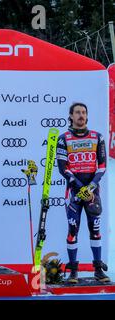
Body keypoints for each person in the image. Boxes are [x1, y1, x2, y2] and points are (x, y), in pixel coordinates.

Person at [56, 102, 110, 283]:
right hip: (74, 192)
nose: (81, 115)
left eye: (84, 112)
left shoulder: (98, 137)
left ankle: (98, 269)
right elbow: (63, 168)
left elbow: (102, 166)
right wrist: (80, 187)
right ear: (70, 116)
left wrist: (91, 187)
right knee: (73, 230)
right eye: (77, 112)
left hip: (93, 191)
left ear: (87, 116)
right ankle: (73, 271)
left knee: (95, 229)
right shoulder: (63, 138)